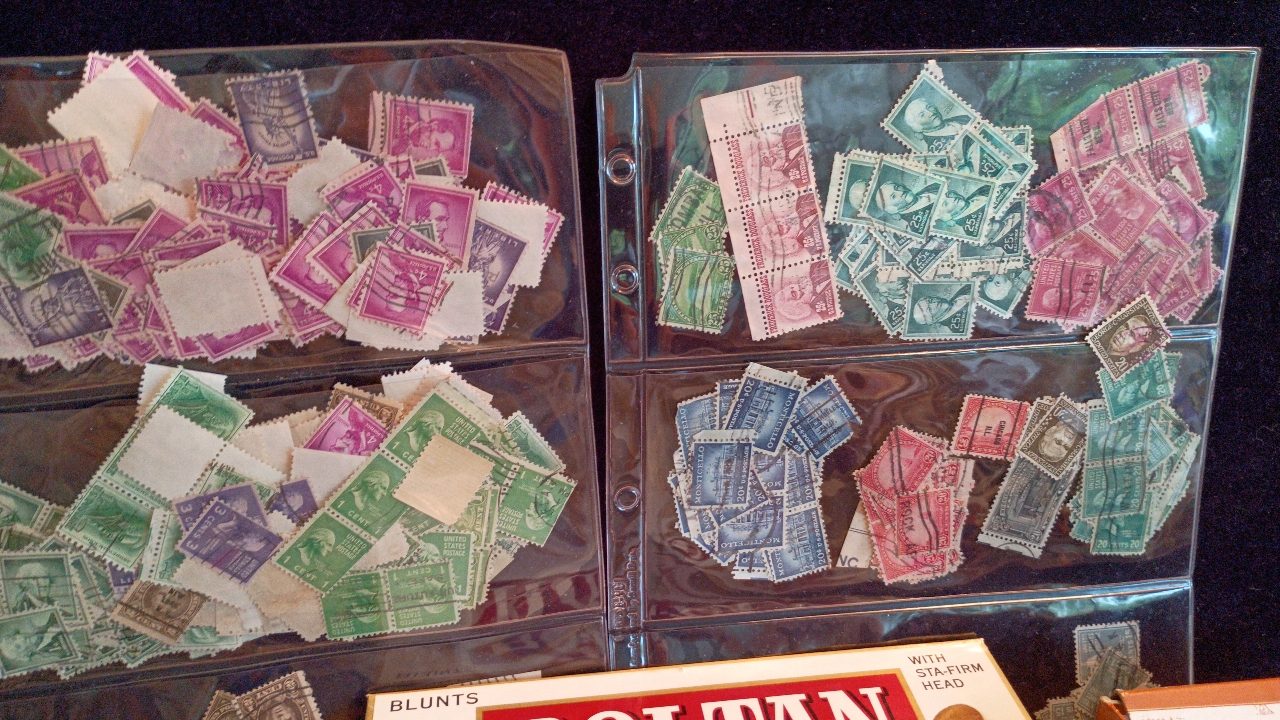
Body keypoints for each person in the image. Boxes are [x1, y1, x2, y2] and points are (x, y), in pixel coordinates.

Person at [902, 96, 971, 150]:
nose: (931, 113)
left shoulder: (962, 118)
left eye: (929, 107)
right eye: (922, 115)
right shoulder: (936, 150)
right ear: (917, 127)